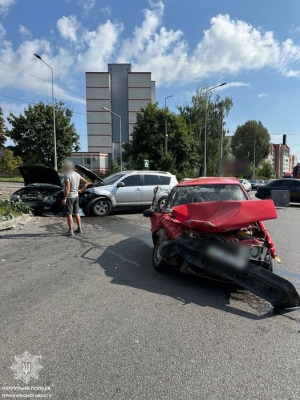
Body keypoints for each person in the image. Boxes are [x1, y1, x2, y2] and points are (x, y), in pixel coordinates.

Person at [61, 160, 88, 236]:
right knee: (76, 213)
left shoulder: (67, 175)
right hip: (76, 196)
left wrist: (65, 198)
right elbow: (86, 182)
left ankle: (70, 231)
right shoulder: (76, 174)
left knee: (69, 214)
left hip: (70, 197)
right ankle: (79, 229)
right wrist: (81, 190)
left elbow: (67, 187)